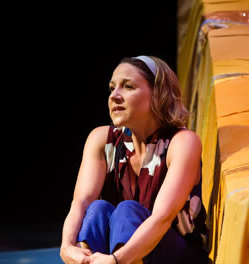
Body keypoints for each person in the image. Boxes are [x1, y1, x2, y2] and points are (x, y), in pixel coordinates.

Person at [60, 56, 208, 264]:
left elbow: (162, 217)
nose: (115, 96)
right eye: (112, 88)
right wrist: (67, 247)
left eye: (128, 86)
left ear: (158, 95)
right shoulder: (101, 140)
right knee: (98, 209)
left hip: (179, 255)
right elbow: (81, 203)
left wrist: (116, 260)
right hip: (117, 257)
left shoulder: (183, 142)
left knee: (127, 210)